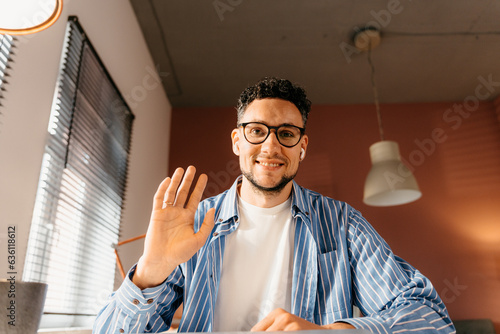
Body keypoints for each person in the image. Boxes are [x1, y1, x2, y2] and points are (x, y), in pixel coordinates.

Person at [94, 77, 455, 333]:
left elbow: (430, 319)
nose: (270, 147)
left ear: (302, 146)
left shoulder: (342, 223)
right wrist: (150, 272)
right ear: (237, 140)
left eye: (286, 133)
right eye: (256, 131)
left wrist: (329, 331)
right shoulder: (196, 221)